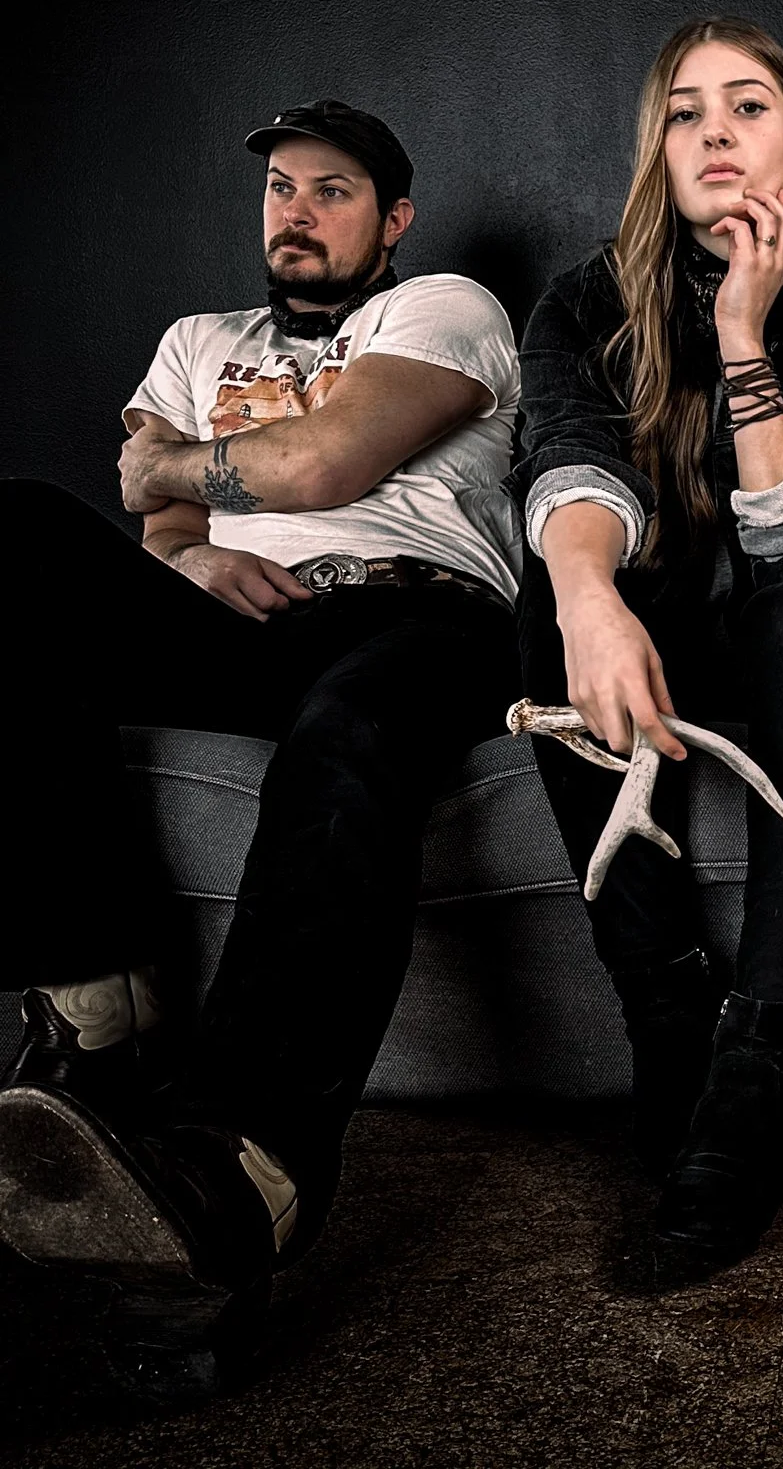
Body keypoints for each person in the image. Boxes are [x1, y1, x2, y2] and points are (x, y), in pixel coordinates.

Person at [0, 100, 523, 1395]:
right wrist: (187, 553)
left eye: (332, 189)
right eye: (282, 187)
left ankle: (244, 1164)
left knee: (347, 735)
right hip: (241, 620)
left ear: (393, 219)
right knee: (15, 535)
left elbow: (325, 461)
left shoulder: (444, 309)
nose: (297, 210)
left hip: (418, 616)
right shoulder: (198, 340)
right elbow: (160, 517)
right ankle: (95, 1002)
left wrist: (173, 471)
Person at [512, 16, 783, 1277]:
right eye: (683, 111)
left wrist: (745, 335)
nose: (712, 132)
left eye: (746, 106)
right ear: (658, 151)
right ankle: (664, 1010)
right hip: (650, 642)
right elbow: (571, 465)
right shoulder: (583, 301)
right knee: (557, 582)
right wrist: (586, 597)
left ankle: (759, 1056)